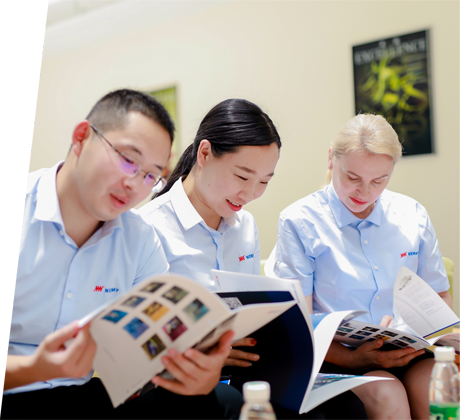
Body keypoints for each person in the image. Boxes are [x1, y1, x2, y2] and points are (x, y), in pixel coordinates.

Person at [0, 89, 235, 419]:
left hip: (81, 395)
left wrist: (198, 373)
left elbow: (156, 343)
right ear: (81, 138)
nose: (134, 184)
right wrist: (35, 368)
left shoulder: (139, 238)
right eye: (128, 160)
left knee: (207, 399)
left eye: (151, 175)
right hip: (9, 388)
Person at [139, 99, 368, 420]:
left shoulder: (244, 225)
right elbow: (140, 341)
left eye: (264, 181)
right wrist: (209, 352)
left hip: (246, 371)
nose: (249, 194)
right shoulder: (149, 228)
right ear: (204, 153)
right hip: (179, 381)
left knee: (346, 408)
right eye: (242, 176)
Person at [268, 113, 452, 420]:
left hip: (410, 350)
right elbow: (297, 324)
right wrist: (354, 359)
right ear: (331, 159)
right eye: (352, 178)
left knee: (439, 387)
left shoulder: (412, 214)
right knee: (387, 393)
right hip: (339, 356)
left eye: (379, 180)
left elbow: (440, 295)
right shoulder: (299, 222)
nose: (364, 192)